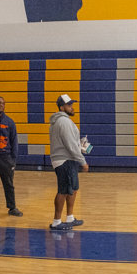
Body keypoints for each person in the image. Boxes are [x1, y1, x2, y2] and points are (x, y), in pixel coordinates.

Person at [48, 94, 89, 231]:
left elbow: (71, 143)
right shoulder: (63, 122)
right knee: (63, 190)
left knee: (73, 188)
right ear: (62, 107)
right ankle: (56, 221)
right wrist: (82, 161)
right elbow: (70, 144)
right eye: (69, 105)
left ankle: (70, 217)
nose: (72, 107)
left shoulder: (62, 121)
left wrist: (80, 145)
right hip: (64, 160)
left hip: (68, 159)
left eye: (72, 105)